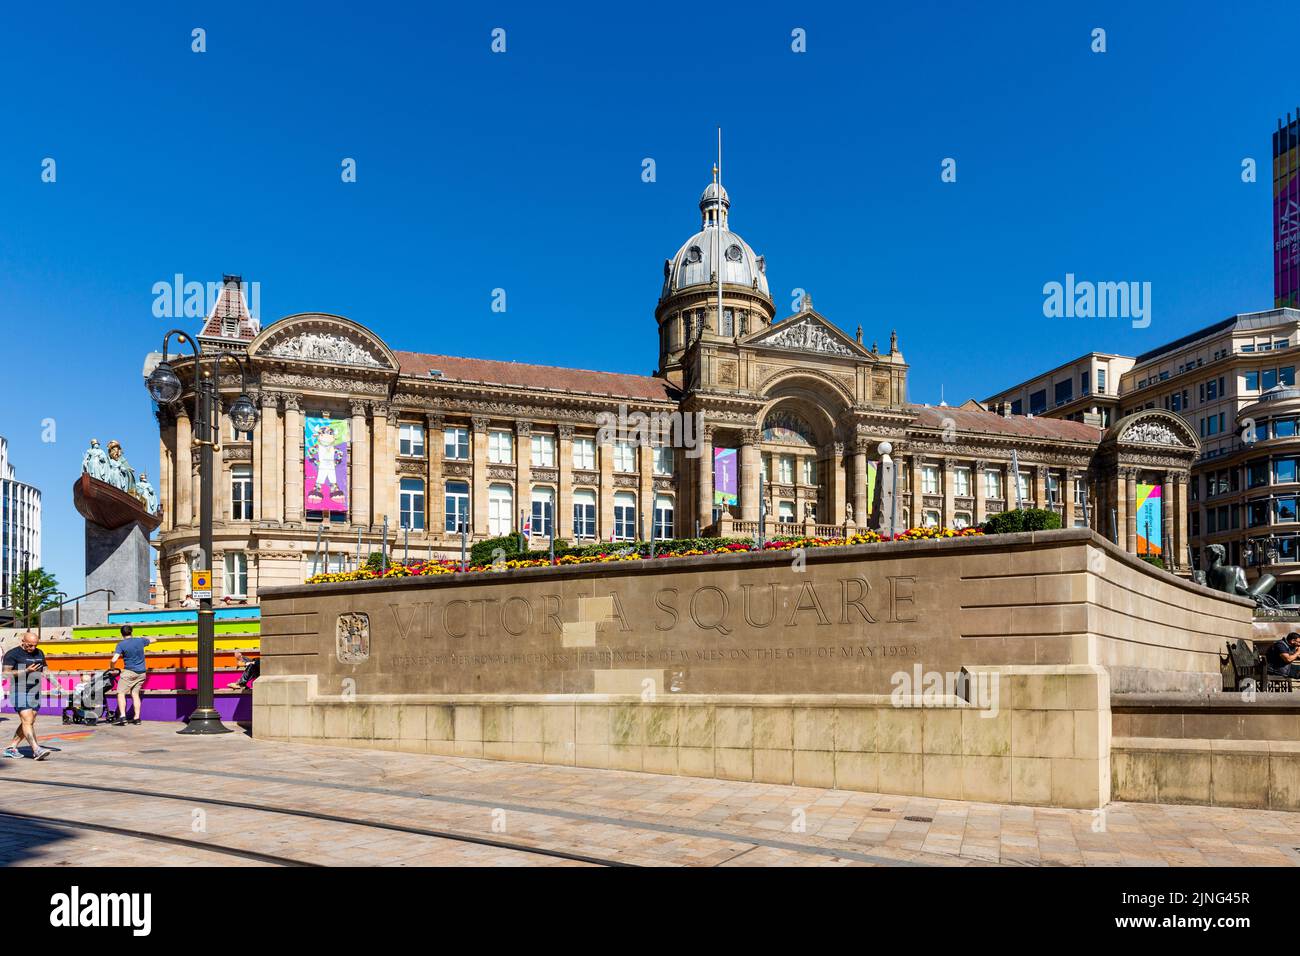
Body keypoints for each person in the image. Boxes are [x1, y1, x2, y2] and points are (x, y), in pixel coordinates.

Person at [2, 632, 51, 759]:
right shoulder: (12, 654)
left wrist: (57, 685)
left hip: (34, 690)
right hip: (19, 689)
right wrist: (26, 671)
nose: (32, 648)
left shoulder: (39, 653)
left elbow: (46, 670)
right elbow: (6, 674)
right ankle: (36, 749)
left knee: (29, 720)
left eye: (35, 645)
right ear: (22, 641)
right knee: (28, 720)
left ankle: (11, 747)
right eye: (29, 645)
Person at [109, 625, 152, 725]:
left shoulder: (121, 644)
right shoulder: (140, 640)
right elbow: (154, 640)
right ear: (131, 632)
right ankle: (137, 718)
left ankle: (123, 717)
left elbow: (114, 659)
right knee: (135, 694)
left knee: (120, 693)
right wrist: (143, 637)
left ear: (121, 633)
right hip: (141, 673)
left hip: (129, 672)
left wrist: (111, 667)